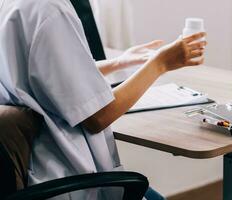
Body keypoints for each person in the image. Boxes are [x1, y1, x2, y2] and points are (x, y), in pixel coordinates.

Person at [0, 0, 207, 199]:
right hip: (64, 176)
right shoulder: (50, 10)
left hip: (27, 164)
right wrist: (159, 64)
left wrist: (118, 62)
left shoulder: (16, 4)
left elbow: (47, 74)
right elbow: (98, 116)